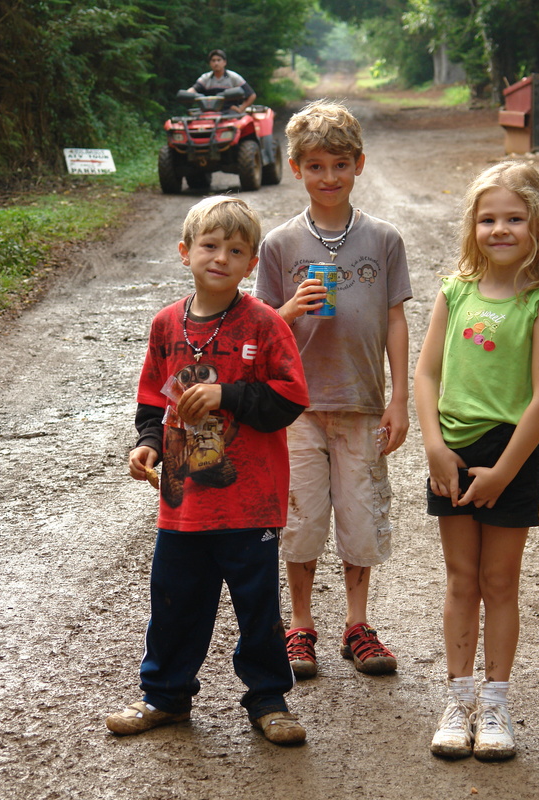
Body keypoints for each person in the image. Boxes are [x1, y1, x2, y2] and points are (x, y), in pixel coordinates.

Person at [105, 195, 310, 746]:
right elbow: (153, 400)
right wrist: (148, 443)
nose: (220, 257)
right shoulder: (165, 325)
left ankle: (269, 699)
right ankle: (165, 697)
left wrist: (228, 394)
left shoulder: (265, 325)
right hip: (182, 504)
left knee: (258, 606)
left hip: (251, 504)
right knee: (174, 602)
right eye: (209, 245)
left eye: (235, 249)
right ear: (185, 252)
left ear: (251, 263)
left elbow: (291, 398)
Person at [413, 161, 539, 761]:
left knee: (500, 581)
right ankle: (457, 700)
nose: (499, 229)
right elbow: (426, 374)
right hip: (452, 453)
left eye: (514, 217)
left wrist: (505, 471)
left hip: (511, 455)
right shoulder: (454, 293)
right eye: (487, 218)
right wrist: (434, 445)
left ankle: (496, 704)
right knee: (461, 580)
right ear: (471, 226)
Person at [254, 100, 412, 681]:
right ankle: (300, 625)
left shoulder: (384, 238)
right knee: (301, 517)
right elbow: (262, 326)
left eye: (339, 165)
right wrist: (291, 309)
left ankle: (356, 622)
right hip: (296, 406)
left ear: (359, 165)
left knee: (361, 515)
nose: (328, 177)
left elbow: (396, 318)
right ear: (296, 169)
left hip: (363, 402)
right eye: (315, 166)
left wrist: (398, 399)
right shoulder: (279, 245)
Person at [189, 49, 256, 112]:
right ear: (210, 63)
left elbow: (251, 95)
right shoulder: (205, 78)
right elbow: (194, 89)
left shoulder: (233, 77)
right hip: (208, 113)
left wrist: (241, 109)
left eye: (219, 60)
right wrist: (186, 94)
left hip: (229, 113)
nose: (216, 63)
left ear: (224, 62)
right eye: (213, 60)